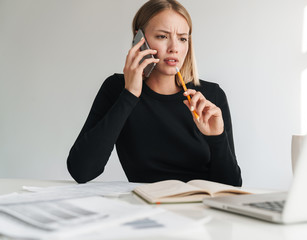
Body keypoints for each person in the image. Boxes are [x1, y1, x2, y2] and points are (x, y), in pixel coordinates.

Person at [67, 0, 242, 186]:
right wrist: (130, 94)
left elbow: (232, 187)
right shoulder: (117, 89)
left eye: (182, 38)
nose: (174, 47)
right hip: (146, 206)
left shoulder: (211, 95)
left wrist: (217, 137)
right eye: (162, 36)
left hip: (200, 208)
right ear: (139, 39)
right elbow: (81, 171)